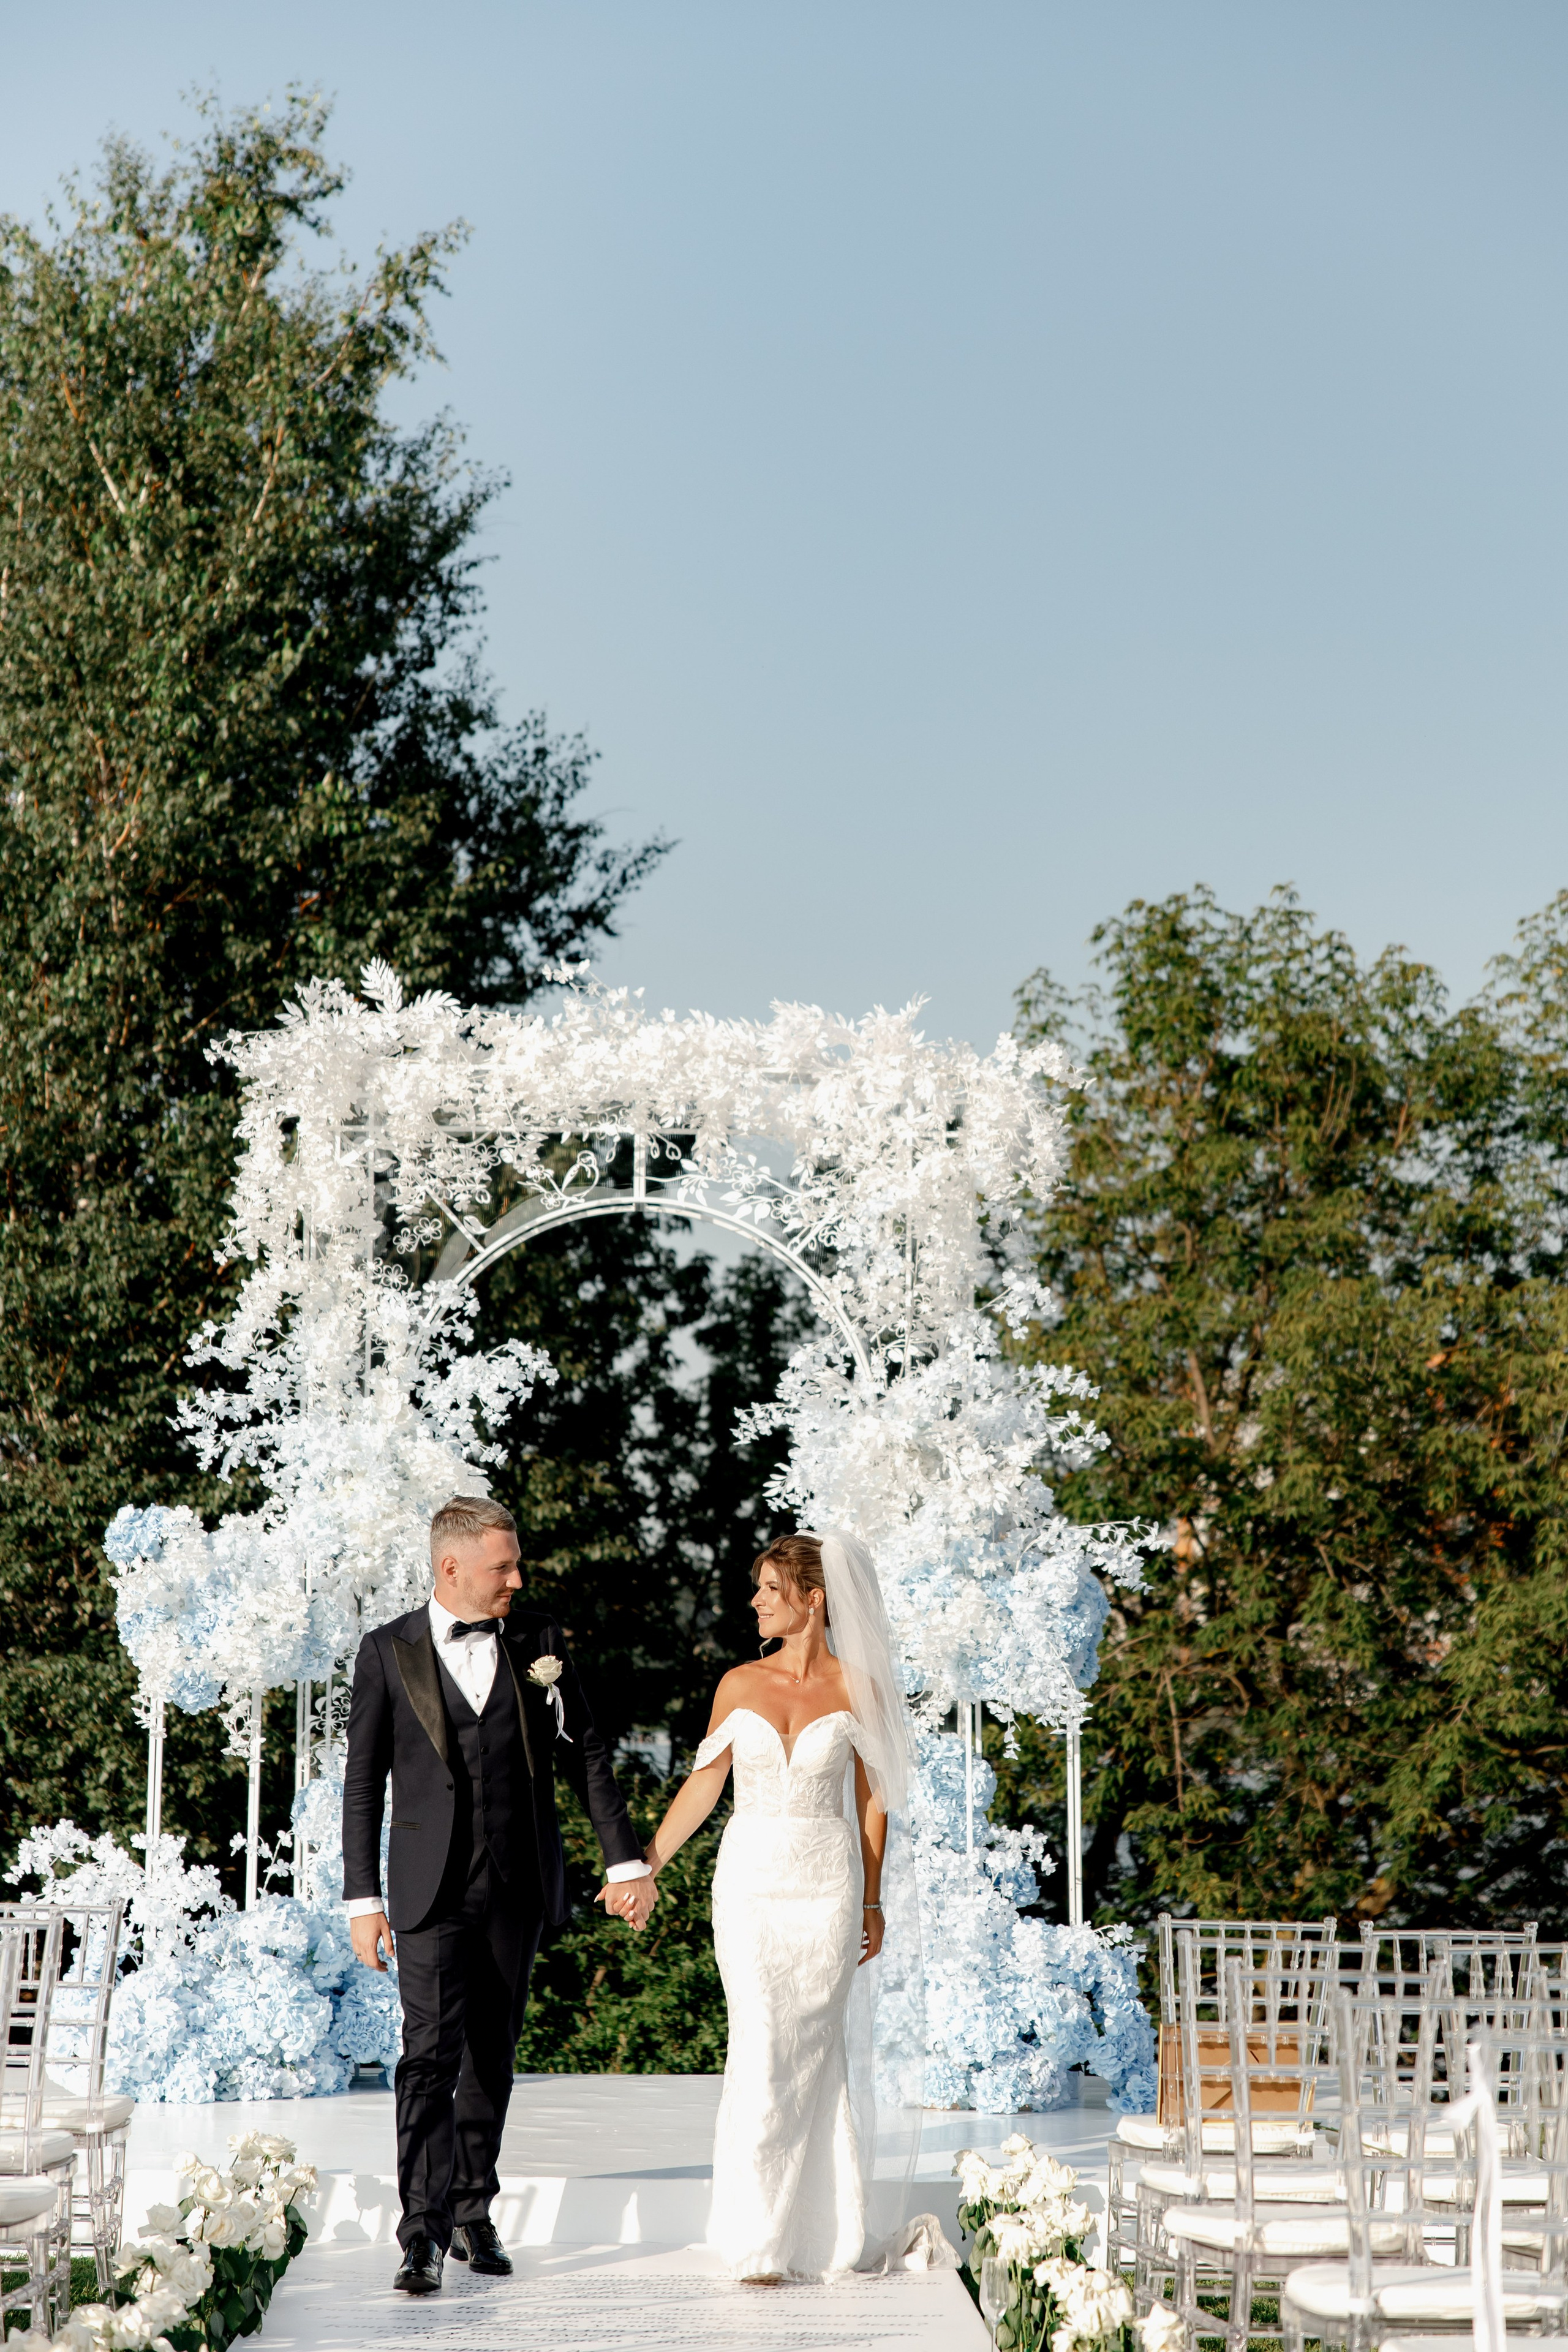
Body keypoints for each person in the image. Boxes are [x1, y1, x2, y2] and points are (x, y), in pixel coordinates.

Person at [342, 1494, 655, 2296]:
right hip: (426, 1892)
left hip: (518, 1883)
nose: (518, 1578)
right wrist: (360, 1900)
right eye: (503, 1566)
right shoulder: (387, 1651)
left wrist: (624, 1863)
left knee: (491, 2059)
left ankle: (473, 2209)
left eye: (516, 1563)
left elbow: (588, 1753)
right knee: (427, 2060)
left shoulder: (540, 1641)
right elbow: (361, 1788)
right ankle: (422, 2234)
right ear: (452, 1568)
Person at [639, 1528, 911, 2282]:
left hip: (829, 1889)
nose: (755, 1600)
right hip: (751, 1883)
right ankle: (756, 2240)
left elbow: (873, 1798)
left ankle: (815, 2234)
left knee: (812, 2051)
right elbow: (705, 1782)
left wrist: (874, 1898)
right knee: (762, 2042)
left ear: (812, 1599)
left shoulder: (860, 1688)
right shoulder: (738, 1684)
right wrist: (647, 1862)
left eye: (768, 1588)